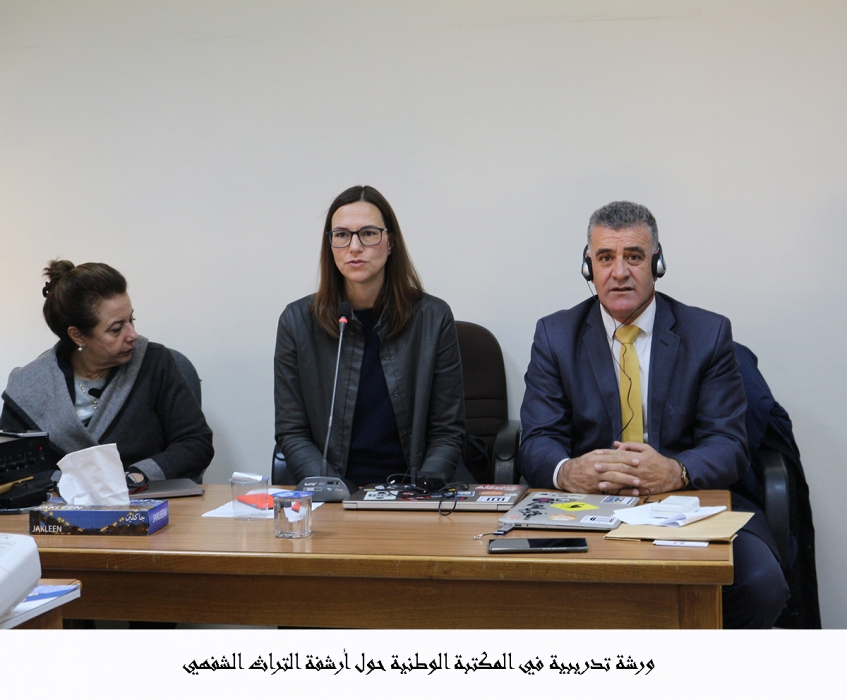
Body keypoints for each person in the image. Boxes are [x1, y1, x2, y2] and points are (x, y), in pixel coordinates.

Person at [518, 201, 788, 628]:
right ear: (588, 266)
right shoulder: (555, 335)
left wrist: (676, 470)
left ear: (657, 263)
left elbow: (729, 444)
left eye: (634, 256)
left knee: (760, 583)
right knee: (523, 585)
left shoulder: (707, 333)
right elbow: (537, 440)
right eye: (605, 257)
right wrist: (567, 471)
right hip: (586, 506)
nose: (619, 272)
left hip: (686, 503)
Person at [274, 185, 467, 487]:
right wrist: (335, 490)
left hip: (416, 488)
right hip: (335, 491)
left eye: (368, 233)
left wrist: (422, 490)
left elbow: (447, 431)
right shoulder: (297, 322)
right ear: (330, 246)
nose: (354, 247)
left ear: (390, 243)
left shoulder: (432, 317)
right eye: (341, 235)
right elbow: (292, 432)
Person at [1, 260, 213, 481]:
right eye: (116, 329)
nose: (133, 335)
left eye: (131, 320)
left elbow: (195, 443)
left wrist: (138, 477)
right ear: (78, 336)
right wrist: (68, 484)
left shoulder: (154, 363)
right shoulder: (29, 387)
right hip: (61, 499)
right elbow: (11, 468)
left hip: (145, 494)